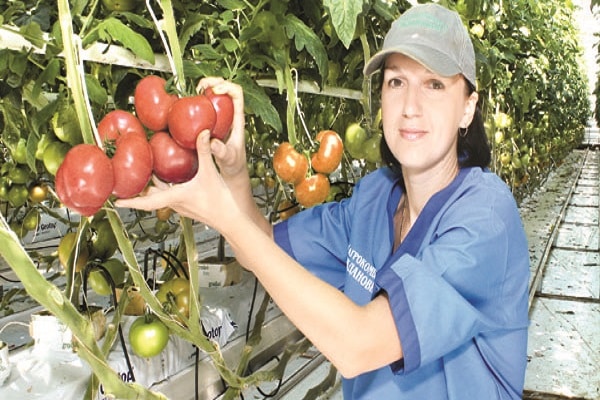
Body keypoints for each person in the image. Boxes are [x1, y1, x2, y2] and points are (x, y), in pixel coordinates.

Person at [117, 3, 530, 399]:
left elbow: (359, 345)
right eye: (396, 82)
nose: (410, 107)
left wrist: (226, 216)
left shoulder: (485, 216)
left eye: (435, 85)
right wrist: (236, 171)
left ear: (467, 109)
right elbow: (260, 247)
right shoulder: (374, 197)